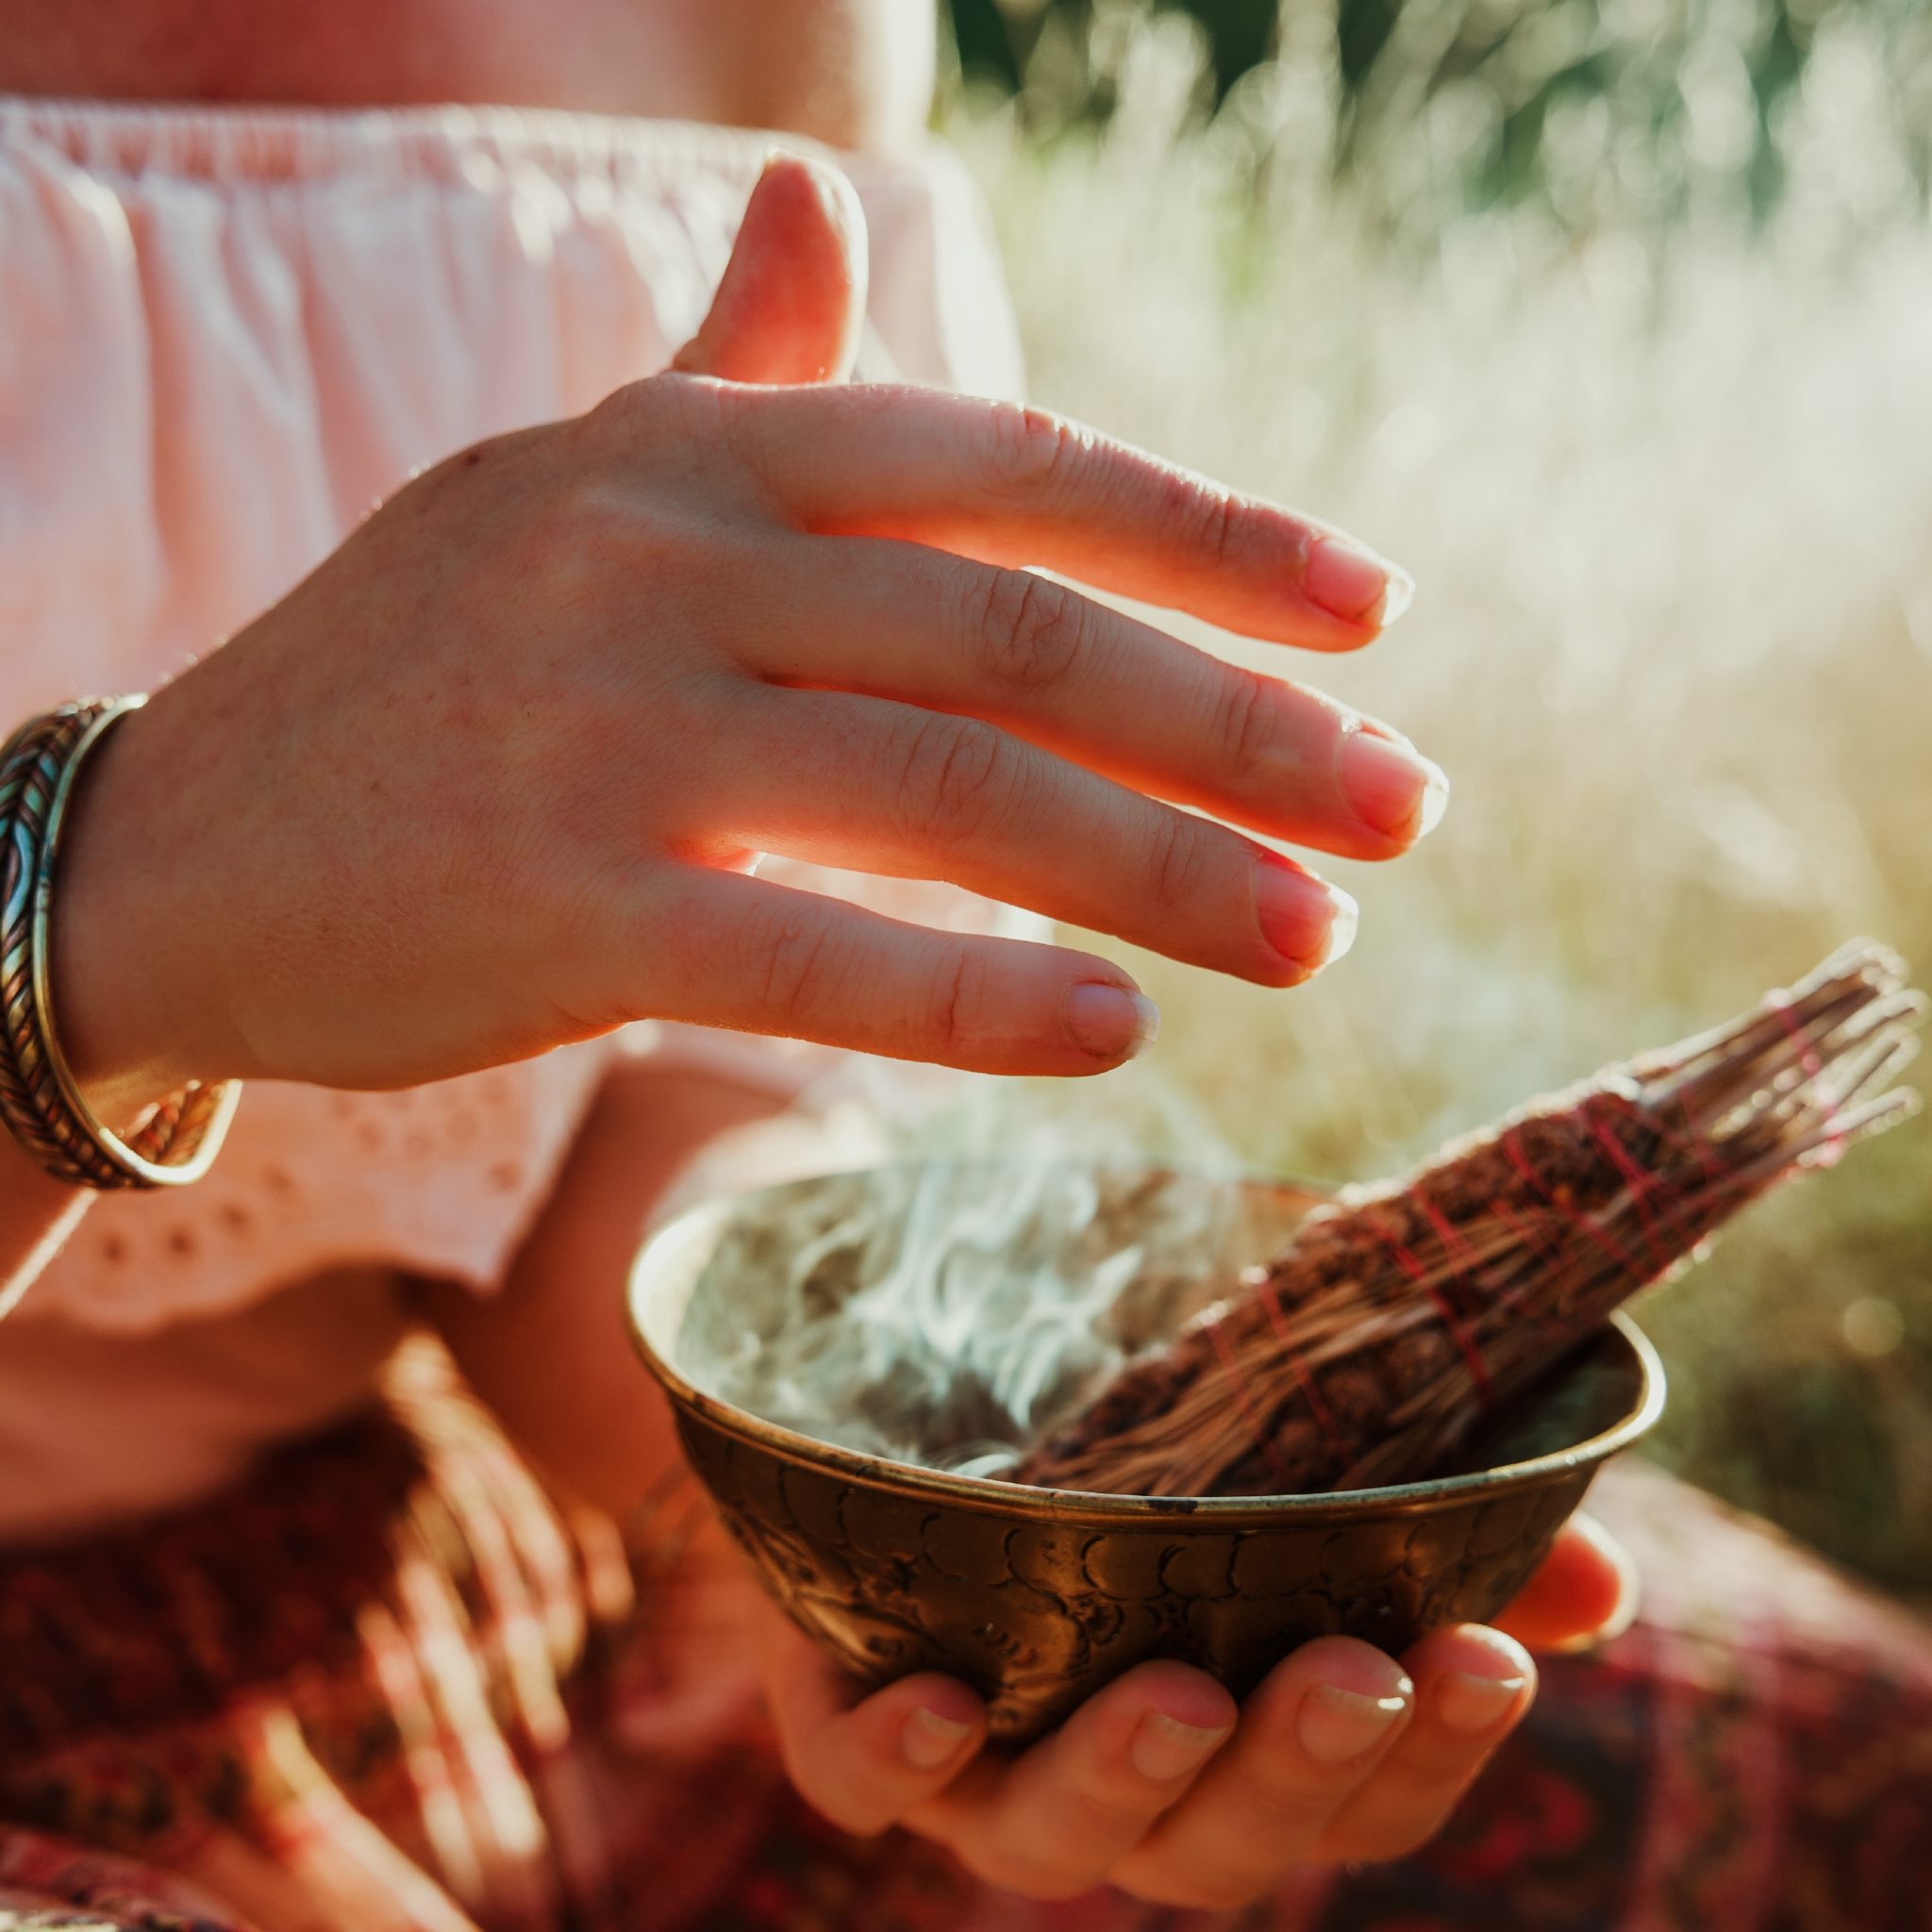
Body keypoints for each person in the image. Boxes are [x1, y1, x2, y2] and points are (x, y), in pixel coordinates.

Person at [0, 7, 1924, 1928]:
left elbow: (597, 1128)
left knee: (1851, 1774)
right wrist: (127, 891)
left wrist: (864, 1531)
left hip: (426, 1585)